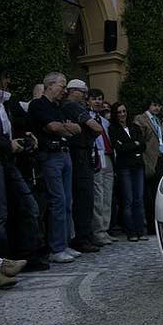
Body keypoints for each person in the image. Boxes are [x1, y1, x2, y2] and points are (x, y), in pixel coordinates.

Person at [0, 67, 49, 273]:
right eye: (5, 77)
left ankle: (28, 255)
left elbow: (19, 122)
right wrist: (7, 144)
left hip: (9, 162)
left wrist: (27, 134)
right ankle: (3, 265)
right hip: (2, 158)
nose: (7, 81)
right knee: (1, 215)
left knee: (29, 206)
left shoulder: (7, 102)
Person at [29, 72, 81, 263]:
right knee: (57, 201)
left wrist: (65, 127)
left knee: (67, 201)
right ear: (50, 85)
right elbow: (53, 127)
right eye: (62, 85)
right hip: (50, 156)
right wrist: (65, 127)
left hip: (64, 154)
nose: (64, 90)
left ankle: (65, 243)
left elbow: (76, 129)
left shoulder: (58, 106)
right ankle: (56, 248)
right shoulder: (38, 105)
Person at [62, 80, 103, 253]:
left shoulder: (76, 107)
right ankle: (82, 237)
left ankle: (86, 234)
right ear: (73, 91)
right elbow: (96, 127)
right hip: (78, 154)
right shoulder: (72, 106)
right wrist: (86, 129)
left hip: (83, 153)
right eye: (83, 91)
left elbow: (96, 129)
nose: (85, 95)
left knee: (86, 197)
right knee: (83, 197)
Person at [109, 102, 147, 242]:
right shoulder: (113, 129)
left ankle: (140, 230)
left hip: (138, 165)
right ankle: (131, 231)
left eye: (124, 111)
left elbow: (142, 145)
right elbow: (119, 148)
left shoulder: (134, 127)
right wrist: (134, 145)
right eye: (119, 112)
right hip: (124, 166)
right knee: (128, 199)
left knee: (139, 198)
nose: (122, 114)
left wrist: (131, 146)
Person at [88, 89, 117, 245]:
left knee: (107, 194)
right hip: (97, 157)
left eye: (100, 99)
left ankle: (105, 229)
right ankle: (97, 231)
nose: (98, 102)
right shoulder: (88, 119)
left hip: (108, 157)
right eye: (94, 99)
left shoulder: (105, 121)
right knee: (98, 194)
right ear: (88, 101)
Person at [134, 101, 163, 235]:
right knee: (149, 194)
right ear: (148, 106)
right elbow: (140, 137)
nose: (157, 107)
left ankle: (156, 223)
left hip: (160, 157)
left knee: (157, 192)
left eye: (158, 105)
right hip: (149, 158)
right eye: (154, 105)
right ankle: (150, 226)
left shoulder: (158, 120)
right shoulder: (141, 119)